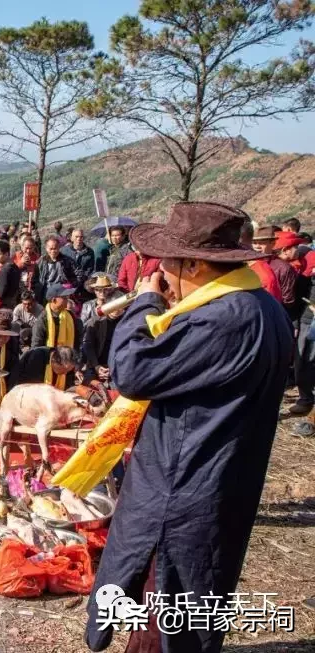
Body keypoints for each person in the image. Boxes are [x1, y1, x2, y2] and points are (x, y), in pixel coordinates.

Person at [85, 202, 293, 653]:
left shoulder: (224, 319)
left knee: (167, 610)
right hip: (218, 482)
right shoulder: (262, 307)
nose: (164, 276)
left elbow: (133, 370)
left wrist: (144, 302)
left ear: (196, 265)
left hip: (182, 491)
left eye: (169, 265)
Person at [32, 284, 83, 349]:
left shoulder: (70, 316)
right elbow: (36, 346)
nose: (67, 300)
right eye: (64, 298)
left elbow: (77, 340)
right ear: (54, 300)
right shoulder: (42, 320)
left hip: (68, 356)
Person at [36, 236, 76, 302]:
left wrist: (71, 284)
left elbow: (76, 274)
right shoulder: (41, 261)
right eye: (51, 249)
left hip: (62, 290)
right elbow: (36, 277)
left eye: (55, 248)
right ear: (46, 248)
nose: (53, 251)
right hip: (46, 290)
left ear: (59, 248)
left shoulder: (67, 260)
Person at [0, 240, 22, 310]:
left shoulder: (5, 269)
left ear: (6, 254)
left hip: (2, 306)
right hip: (12, 304)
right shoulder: (14, 266)